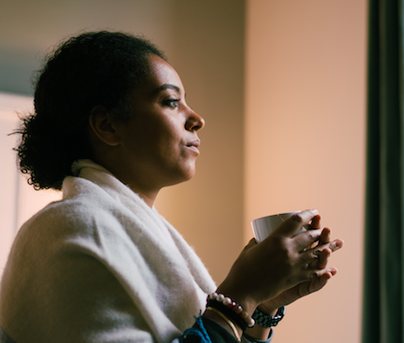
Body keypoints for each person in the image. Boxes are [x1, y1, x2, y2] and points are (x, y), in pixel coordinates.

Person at [0, 31, 343, 343]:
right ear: (107, 125)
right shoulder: (73, 227)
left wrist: (262, 307)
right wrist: (241, 296)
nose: (197, 118)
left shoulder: (121, 229)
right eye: (170, 101)